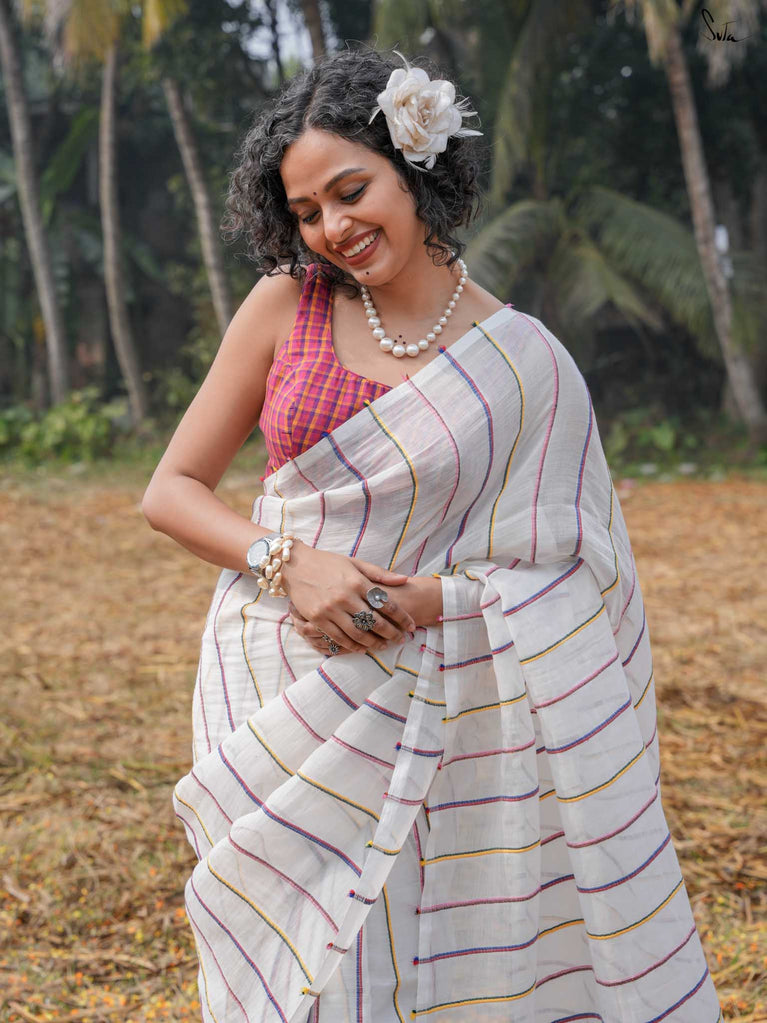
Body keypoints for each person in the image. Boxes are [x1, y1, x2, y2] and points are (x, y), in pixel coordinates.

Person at [142, 47, 721, 1023]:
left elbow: (576, 571)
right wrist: (288, 562)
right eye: (306, 212)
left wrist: (436, 601)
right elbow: (171, 489)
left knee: (428, 948)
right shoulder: (286, 306)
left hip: (448, 693)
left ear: (415, 166)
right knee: (300, 969)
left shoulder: (525, 364)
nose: (332, 227)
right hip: (276, 678)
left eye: (350, 190)